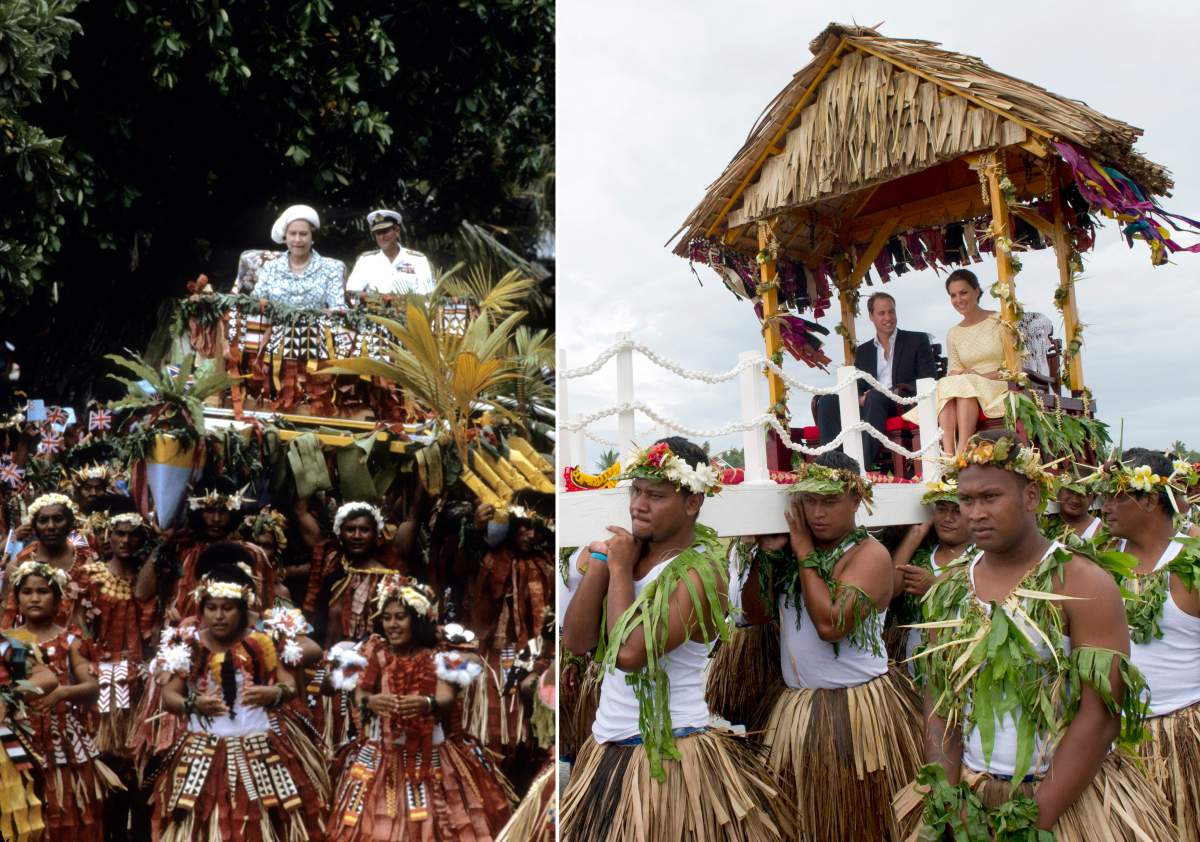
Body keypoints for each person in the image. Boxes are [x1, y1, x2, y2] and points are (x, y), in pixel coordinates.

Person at [895, 431, 1174, 840]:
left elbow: (1100, 718)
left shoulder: (1084, 582)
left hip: (1062, 803)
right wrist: (947, 796)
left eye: (990, 497)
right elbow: (940, 698)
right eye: (967, 500)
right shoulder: (951, 586)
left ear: (1030, 498)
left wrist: (1029, 824)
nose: (974, 513)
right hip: (974, 795)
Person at [560, 437, 796, 841]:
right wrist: (602, 562)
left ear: (692, 502)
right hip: (605, 748)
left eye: (655, 495)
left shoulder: (702, 573)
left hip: (671, 758)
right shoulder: (625, 555)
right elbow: (577, 643)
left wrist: (618, 569)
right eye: (635, 491)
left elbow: (631, 653)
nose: (638, 504)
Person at [737, 453, 924, 841]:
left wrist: (802, 548)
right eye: (809, 501)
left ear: (855, 500)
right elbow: (755, 614)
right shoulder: (793, 554)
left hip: (857, 715)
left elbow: (830, 625)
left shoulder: (870, 554)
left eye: (829, 501)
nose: (817, 513)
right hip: (798, 709)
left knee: (865, 824)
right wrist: (769, 556)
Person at [327, 575, 512, 841]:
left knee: (437, 822)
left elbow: (445, 697)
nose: (392, 624)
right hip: (382, 752)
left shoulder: (438, 657)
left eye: (400, 617)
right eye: (387, 617)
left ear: (417, 618)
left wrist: (427, 703)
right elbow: (360, 694)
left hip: (431, 753)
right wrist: (372, 701)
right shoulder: (373, 654)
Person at [150, 565, 326, 841]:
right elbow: (169, 696)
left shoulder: (262, 642)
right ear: (202, 609)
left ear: (243, 610)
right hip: (203, 749)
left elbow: (288, 685)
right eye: (211, 607)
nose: (219, 616)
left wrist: (274, 694)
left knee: (259, 819)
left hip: (258, 745)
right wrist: (193, 705)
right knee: (206, 818)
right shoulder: (190, 644)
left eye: (228, 608)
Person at [1100, 448, 1200, 837]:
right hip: (1119, 739)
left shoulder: (1192, 559)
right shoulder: (1103, 560)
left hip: (1184, 731)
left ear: (1150, 499)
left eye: (1116, 495)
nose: (1104, 507)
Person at [5, 561, 119, 842]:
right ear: (16, 597)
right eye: (27, 591)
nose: (34, 598)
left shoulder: (71, 639)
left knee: (66, 808)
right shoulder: (8, 640)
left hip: (62, 742)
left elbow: (92, 686)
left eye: (42, 591)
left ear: (57, 598)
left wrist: (61, 694)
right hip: (17, 739)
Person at [816, 292, 935, 468]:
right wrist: (858, 398)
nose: (888, 318)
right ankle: (834, 466)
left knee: (875, 397)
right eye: (882, 313)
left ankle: (859, 467)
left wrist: (893, 391)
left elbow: (928, 378)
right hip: (871, 403)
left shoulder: (916, 340)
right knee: (827, 402)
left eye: (891, 312)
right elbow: (858, 385)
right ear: (871, 316)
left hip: (901, 402)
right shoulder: (864, 351)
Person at [887, 477, 975, 668]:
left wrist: (934, 587)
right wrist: (916, 533)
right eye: (942, 509)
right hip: (914, 673)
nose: (948, 518)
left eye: (957, 511)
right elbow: (891, 589)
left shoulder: (981, 558)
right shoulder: (921, 557)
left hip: (962, 667)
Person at [926, 269, 1008, 455]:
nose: (958, 300)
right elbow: (954, 371)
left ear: (977, 291)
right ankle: (948, 455)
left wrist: (981, 377)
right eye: (953, 295)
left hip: (997, 383)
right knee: (952, 384)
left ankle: (962, 452)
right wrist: (964, 375)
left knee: (965, 386)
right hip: (968, 384)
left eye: (963, 292)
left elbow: (1015, 368)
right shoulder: (953, 333)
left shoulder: (1000, 321)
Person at [2, 493, 93, 626]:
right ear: (34, 526)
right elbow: (5, 618)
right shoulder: (17, 566)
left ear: (70, 524)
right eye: (43, 520)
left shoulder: (88, 565)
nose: (51, 526)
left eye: (58, 519)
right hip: (29, 642)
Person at [253, 204, 346, 309]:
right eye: (292, 234)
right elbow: (254, 304)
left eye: (303, 234)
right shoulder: (271, 268)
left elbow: (339, 309)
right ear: (285, 236)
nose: (297, 240)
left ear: (313, 237)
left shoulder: (331, 269)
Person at [345, 209, 436, 298]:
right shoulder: (366, 261)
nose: (382, 237)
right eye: (378, 233)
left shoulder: (417, 260)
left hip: (410, 311)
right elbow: (351, 292)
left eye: (385, 231)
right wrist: (379, 298)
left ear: (397, 231)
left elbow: (428, 295)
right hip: (373, 311)